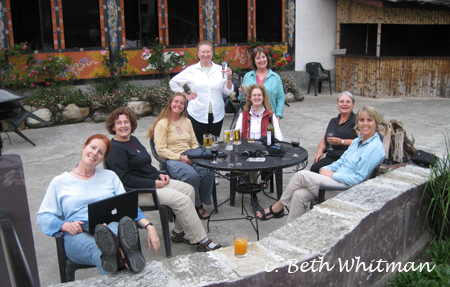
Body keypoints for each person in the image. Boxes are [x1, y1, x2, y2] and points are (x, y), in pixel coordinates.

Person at [36, 134, 159, 275]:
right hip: (78, 232)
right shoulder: (60, 182)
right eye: (92, 147)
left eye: (100, 152)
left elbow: (128, 206)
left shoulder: (110, 176)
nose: (95, 153)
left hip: (110, 225)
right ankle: (124, 255)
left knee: (114, 236)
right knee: (104, 249)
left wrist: (149, 227)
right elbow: (43, 217)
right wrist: (66, 226)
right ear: (84, 147)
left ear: (103, 159)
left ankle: (120, 253)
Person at [104, 107, 221, 252]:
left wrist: (159, 174)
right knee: (182, 200)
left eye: (126, 122)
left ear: (131, 124)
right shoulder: (114, 148)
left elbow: (145, 165)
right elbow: (124, 179)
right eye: (119, 123)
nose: (123, 126)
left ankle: (178, 232)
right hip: (136, 193)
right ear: (113, 127)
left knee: (188, 189)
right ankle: (201, 240)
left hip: (151, 183)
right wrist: (153, 183)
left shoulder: (132, 140)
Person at [256, 106, 385, 223]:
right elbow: (341, 161)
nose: (365, 123)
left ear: (376, 123)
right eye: (362, 120)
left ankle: (278, 207)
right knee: (298, 195)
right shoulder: (358, 140)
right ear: (358, 123)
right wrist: (326, 169)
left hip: (346, 189)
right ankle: (293, 232)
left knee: (301, 175)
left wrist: (333, 175)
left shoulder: (373, 148)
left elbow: (358, 179)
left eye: (369, 120)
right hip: (337, 180)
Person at [148, 93, 216, 220]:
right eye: (176, 102)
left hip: (190, 155)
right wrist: (180, 157)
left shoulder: (187, 121)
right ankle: (195, 206)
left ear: (184, 106)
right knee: (191, 176)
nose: (178, 105)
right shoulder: (162, 124)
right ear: (170, 103)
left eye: (182, 103)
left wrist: (196, 156)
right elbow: (161, 150)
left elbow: (194, 143)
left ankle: (199, 202)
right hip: (173, 158)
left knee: (208, 171)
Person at [169, 41, 234, 144]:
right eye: (203, 52)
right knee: (198, 144)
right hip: (197, 113)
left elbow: (228, 91)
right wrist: (186, 95)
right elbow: (173, 82)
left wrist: (229, 78)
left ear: (212, 53)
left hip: (216, 114)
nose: (205, 54)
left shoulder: (220, 69)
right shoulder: (192, 70)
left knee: (213, 144)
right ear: (198, 53)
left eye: (208, 52)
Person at [235, 84, 283, 186]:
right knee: (248, 156)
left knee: (266, 153)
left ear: (263, 97)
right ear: (250, 98)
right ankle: (252, 185)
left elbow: (279, 137)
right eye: (254, 95)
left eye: (259, 95)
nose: (257, 97)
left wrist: (268, 143)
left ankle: (258, 180)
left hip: (264, 149)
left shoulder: (270, 115)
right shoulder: (243, 115)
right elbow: (235, 134)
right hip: (247, 148)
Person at [310, 91, 359, 173]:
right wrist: (320, 151)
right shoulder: (333, 121)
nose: (344, 104)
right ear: (337, 104)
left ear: (353, 105)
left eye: (348, 102)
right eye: (341, 101)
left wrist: (341, 142)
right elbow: (324, 140)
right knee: (315, 168)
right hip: (332, 157)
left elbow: (362, 141)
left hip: (347, 159)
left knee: (321, 171)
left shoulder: (356, 120)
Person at [239, 47, 285, 120]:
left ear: (267, 58)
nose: (261, 60)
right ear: (254, 61)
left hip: (270, 117)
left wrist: (278, 117)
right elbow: (243, 98)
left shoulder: (275, 77)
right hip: (251, 117)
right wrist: (241, 92)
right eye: (258, 58)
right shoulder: (247, 76)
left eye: (263, 57)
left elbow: (280, 98)